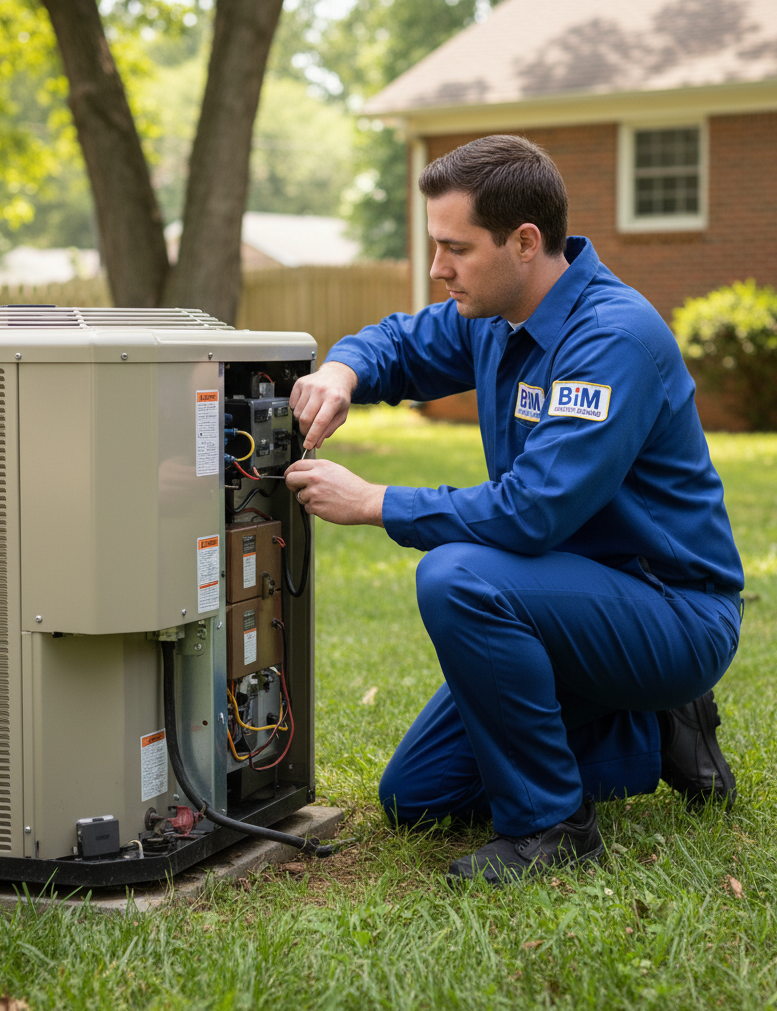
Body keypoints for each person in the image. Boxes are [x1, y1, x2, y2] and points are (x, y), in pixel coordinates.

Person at [284, 135, 743, 886]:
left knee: (460, 578)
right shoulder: (493, 316)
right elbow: (399, 342)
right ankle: (654, 729)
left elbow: (534, 513)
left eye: (455, 248)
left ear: (524, 242)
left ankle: (554, 828)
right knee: (419, 796)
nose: (438, 268)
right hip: (566, 601)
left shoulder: (612, 337)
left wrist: (375, 502)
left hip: (672, 609)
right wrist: (342, 370)